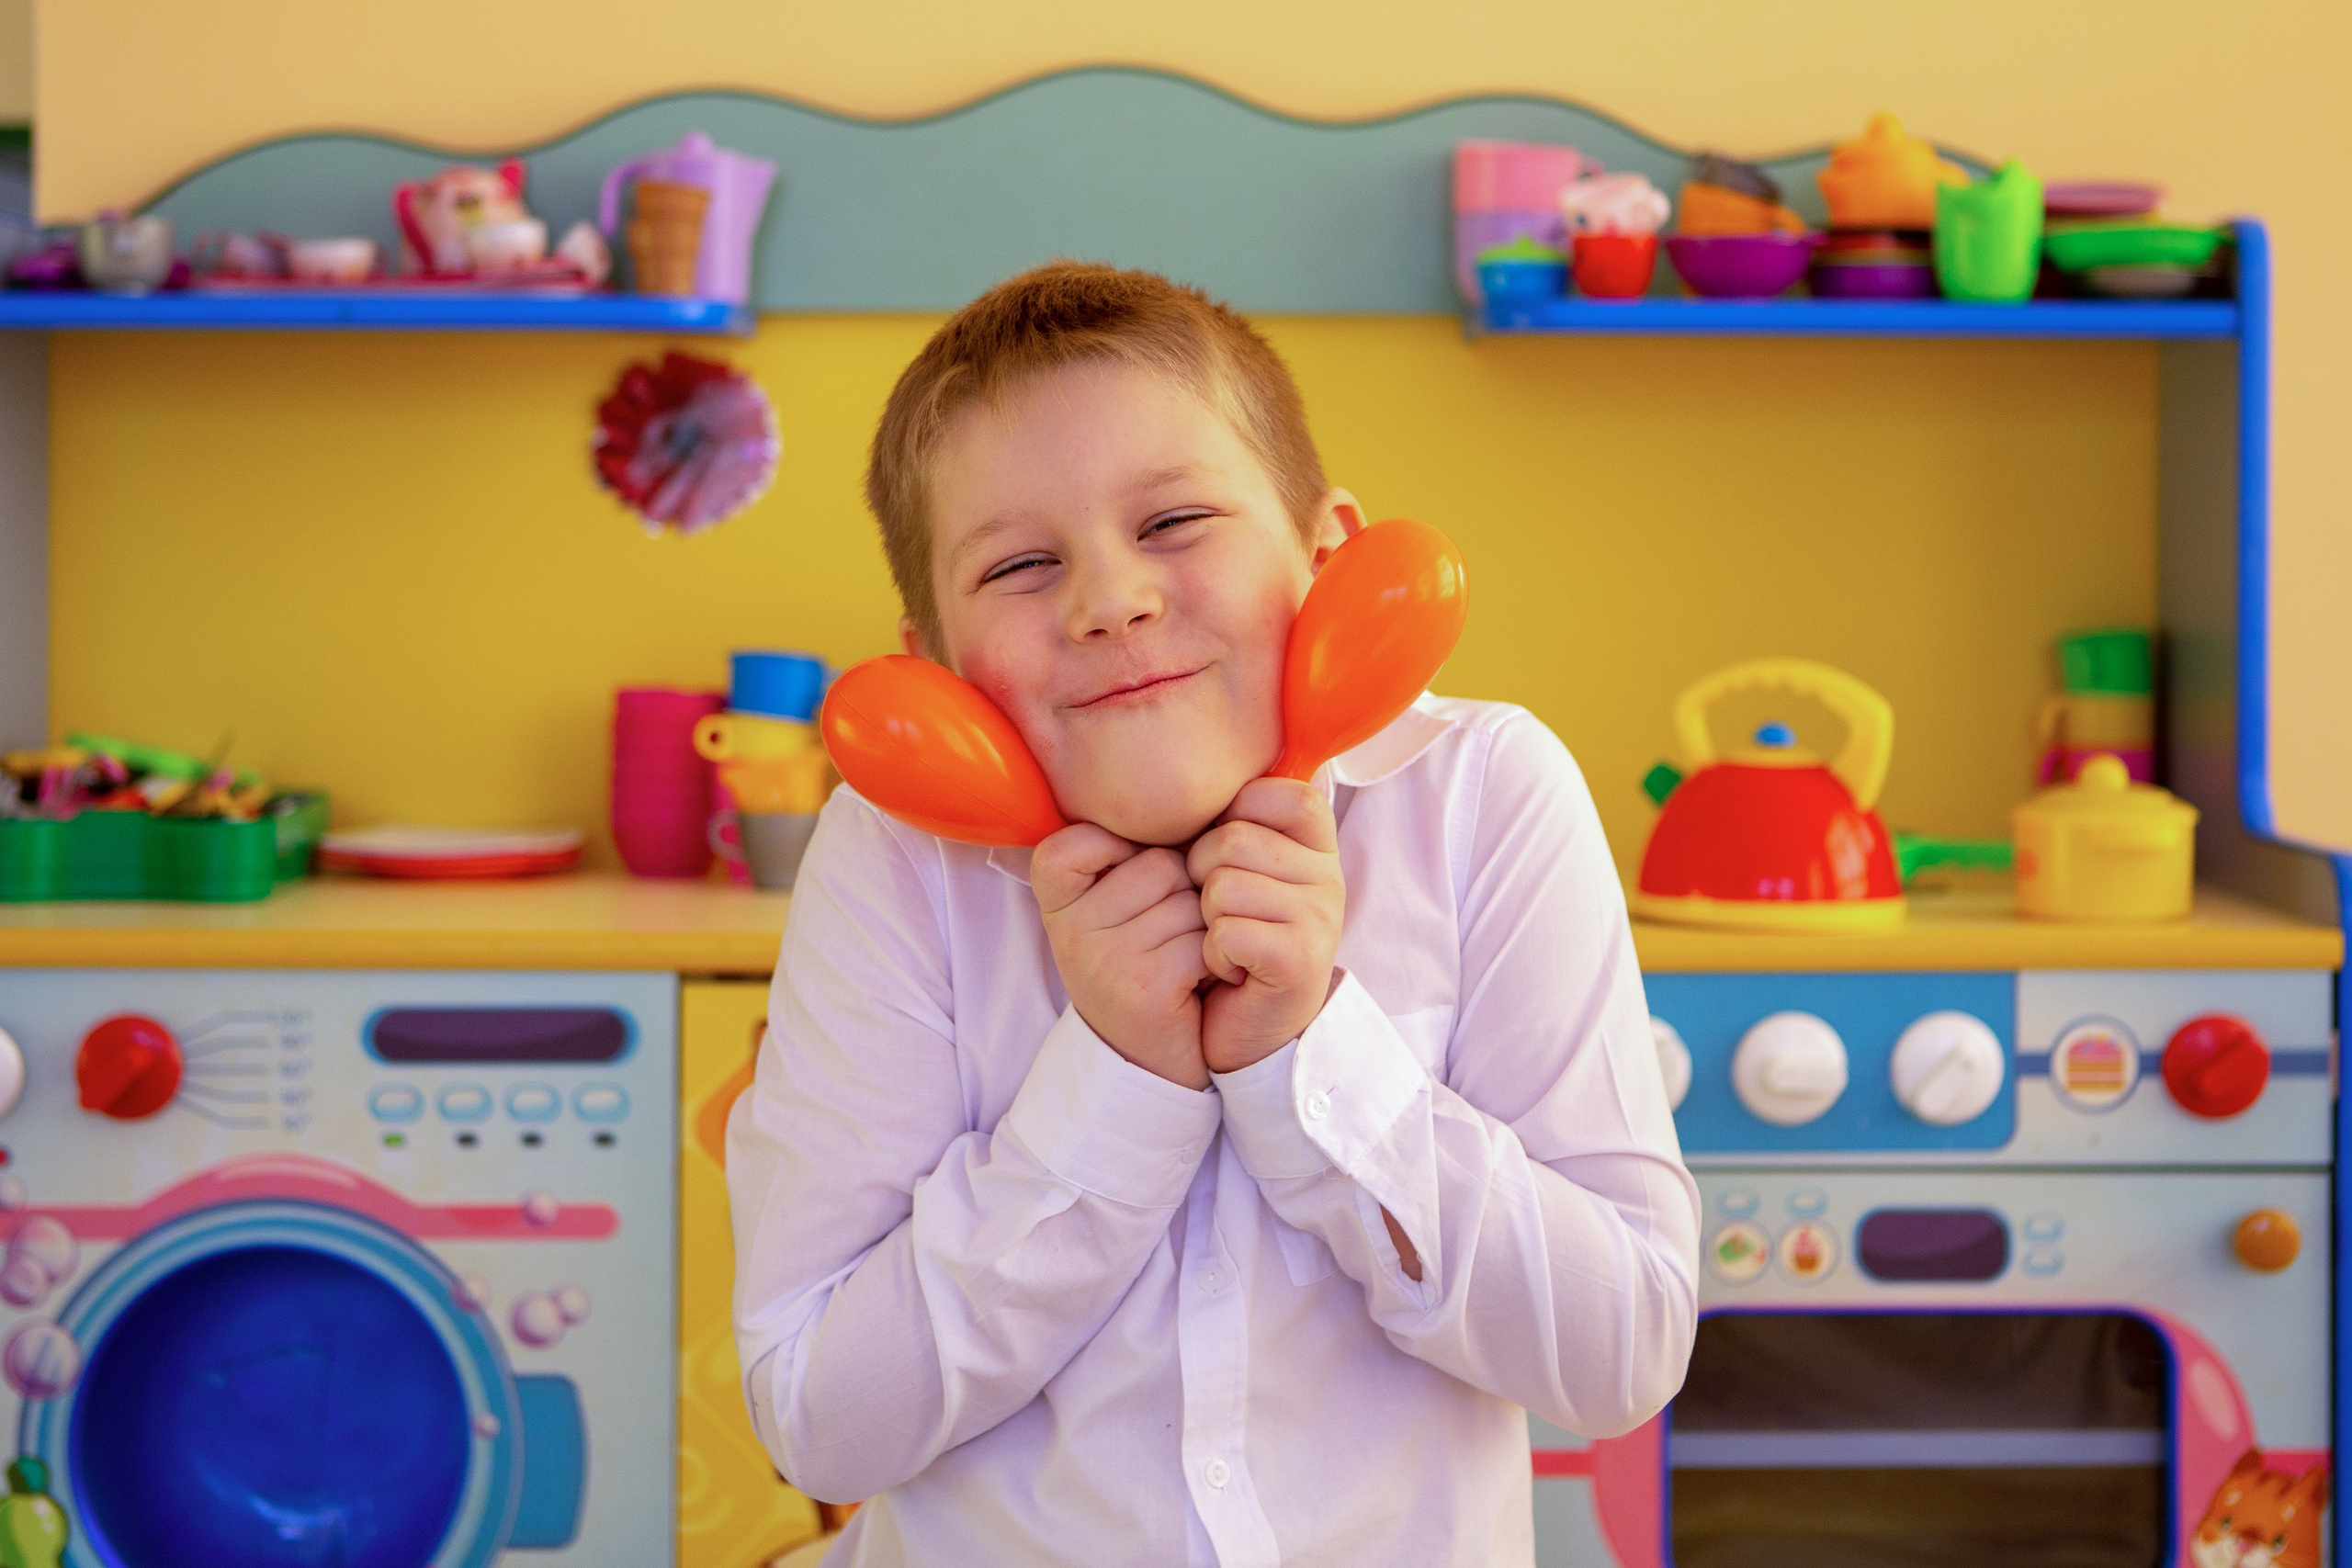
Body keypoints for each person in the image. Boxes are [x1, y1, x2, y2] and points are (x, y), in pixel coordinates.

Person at [728, 261, 1698, 1566]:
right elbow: (818, 1428)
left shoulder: (1483, 794)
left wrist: (1313, 1054)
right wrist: (1117, 1077)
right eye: (1020, 563)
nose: (1110, 599)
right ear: (935, 666)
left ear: (1326, 551)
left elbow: (1624, 1349)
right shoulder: (895, 859)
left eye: (1176, 521)